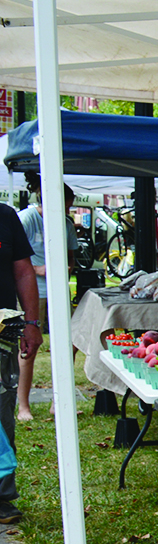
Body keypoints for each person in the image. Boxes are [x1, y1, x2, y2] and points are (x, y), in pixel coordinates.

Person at [16, 183, 79, 421]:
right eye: (63, 206)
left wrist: (67, 269)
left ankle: (59, 403)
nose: (65, 212)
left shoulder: (65, 224)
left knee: (67, 345)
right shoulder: (26, 219)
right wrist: (39, 269)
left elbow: (71, 257)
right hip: (33, 293)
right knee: (29, 348)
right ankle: (24, 407)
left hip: (58, 292)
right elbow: (13, 261)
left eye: (68, 208)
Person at [0, 195, 41, 523]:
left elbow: (24, 272)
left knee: (1, 413)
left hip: (1, 332)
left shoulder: (5, 216)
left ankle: (1, 497)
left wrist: (31, 322)